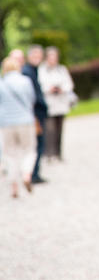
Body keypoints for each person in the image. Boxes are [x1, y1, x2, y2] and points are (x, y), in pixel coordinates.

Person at [0, 56, 36, 198]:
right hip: (25, 121)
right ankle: (26, 174)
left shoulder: (1, 83)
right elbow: (31, 99)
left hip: (7, 123)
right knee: (29, 150)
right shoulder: (25, 81)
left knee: (10, 154)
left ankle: (13, 185)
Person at [38, 46, 75, 160]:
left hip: (61, 103)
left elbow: (69, 84)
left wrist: (61, 89)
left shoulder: (62, 69)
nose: (53, 59)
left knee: (59, 130)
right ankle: (49, 154)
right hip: (49, 104)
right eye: (51, 57)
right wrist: (50, 89)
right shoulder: (42, 70)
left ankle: (58, 153)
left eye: (55, 57)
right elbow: (40, 85)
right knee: (49, 130)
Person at [22, 45, 49, 185]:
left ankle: (34, 173)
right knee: (37, 144)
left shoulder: (33, 71)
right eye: (35, 56)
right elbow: (31, 97)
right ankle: (33, 174)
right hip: (34, 114)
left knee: (37, 144)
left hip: (36, 113)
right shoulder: (28, 72)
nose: (37, 59)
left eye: (39, 56)